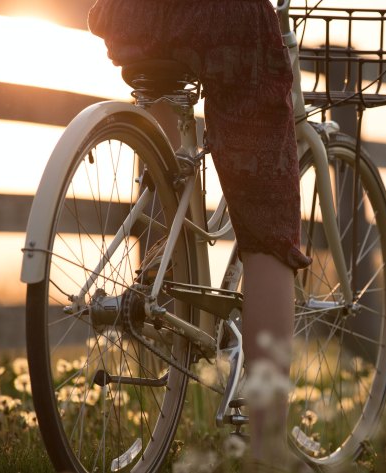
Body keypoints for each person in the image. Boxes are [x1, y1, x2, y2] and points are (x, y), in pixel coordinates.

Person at [87, 0, 311, 470]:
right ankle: (268, 450)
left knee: (165, 157)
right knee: (269, 224)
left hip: (131, 15)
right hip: (223, 17)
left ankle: (161, 290)